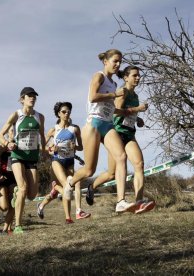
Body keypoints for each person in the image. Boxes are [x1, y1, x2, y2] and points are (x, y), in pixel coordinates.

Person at [63, 49, 136, 213]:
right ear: (106, 61)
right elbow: (92, 97)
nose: (118, 65)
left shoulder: (115, 84)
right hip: (94, 124)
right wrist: (113, 94)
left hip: (108, 124)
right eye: (115, 61)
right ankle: (70, 182)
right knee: (89, 170)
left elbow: (110, 107)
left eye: (120, 62)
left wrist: (125, 112)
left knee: (121, 157)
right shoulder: (99, 76)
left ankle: (121, 201)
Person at [86, 65, 155, 214]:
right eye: (134, 75)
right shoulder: (122, 92)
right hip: (116, 133)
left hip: (129, 134)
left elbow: (129, 113)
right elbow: (115, 113)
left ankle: (139, 202)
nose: (138, 78)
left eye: (139, 76)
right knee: (111, 174)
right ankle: (92, 187)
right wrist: (137, 110)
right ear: (126, 77)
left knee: (139, 164)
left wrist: (138, 119)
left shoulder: (135, 96)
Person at [0, 87, 46, 234]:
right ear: (22, 99)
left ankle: (18, 190)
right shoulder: (16, 115)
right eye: (29, 96)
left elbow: (41, 136)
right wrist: (7, 143)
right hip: (17, 156)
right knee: (23, 188)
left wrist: (44, 150)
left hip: (32, 157)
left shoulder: (40, 117)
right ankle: (18, 225)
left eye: (34, 96)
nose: (32, 98)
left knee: (32, 195)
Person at [36, 102, 91, 223]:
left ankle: (76, 211)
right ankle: (69, 217)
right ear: (58, 114)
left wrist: (75, 147)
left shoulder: (75, 129)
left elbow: (81, 147)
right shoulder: (53, 130)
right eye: (64, 112)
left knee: (69, 186)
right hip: (57, 162)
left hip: (70, 162)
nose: (67, 114)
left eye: (68, 111)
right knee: (68, 186)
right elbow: (42, 146)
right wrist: (51, 149)